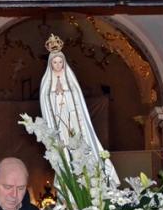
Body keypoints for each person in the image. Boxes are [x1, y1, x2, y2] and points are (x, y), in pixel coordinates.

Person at [39, 33, 119, 186]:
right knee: (64, 153)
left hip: (74, 121)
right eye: (54, 62)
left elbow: (77, 100)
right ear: (50, 64)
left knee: (80, 147)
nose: (57, 65)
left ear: (64, 63)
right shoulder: (46, 83)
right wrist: (55, 95)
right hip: (58, 123)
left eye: (60, 62)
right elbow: (45, 102)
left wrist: (65, 93)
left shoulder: (71, 81)